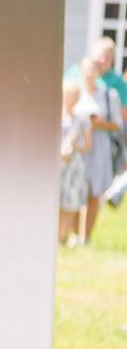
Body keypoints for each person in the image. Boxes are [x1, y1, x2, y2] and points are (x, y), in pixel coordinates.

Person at [76, 55, 122, 240]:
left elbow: (117, 124)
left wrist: (98, 123)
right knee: (77, 189)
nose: (88, 73)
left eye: (92, 69)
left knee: (93, 193)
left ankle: (85, 236)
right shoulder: (76, 92)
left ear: (98, 72)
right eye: (85, 69)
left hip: (99, 147)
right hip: (78, 147)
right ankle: (72, 233)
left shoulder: (108, 95)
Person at [60, 79, 91, 247]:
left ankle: (64, 236)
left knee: (70, 202)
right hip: (57, 164)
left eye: (74, 96)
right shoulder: (54, 115)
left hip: (74, 165)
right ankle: (56, 236)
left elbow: (88, 146)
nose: (71, 98)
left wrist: (74, 145)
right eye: (68, 95)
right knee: (56, 200)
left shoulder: (82, 120)